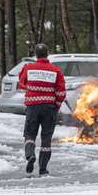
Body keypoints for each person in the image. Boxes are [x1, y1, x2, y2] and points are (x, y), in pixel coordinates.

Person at [17, 43, 66, 175]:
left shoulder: (28, 68)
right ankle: (43, 168)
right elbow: (61, 92)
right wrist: (56, 105)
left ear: (36, 55)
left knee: (30, 134)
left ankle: (30, 155)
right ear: (47, 54)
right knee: (46, 138)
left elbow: (21, 83)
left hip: (32, 107)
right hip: (49, 108)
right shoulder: (55, 70)